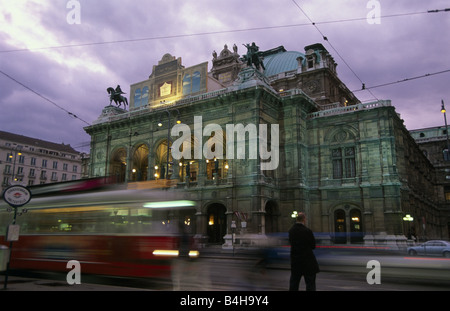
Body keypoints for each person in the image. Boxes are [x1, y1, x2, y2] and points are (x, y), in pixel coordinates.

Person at [288, 212, 319, 291]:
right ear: (304, 219)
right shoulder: (307, 231)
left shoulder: (291, 231)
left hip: (296, 261)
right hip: (308, 261)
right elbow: (313, 246)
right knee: (310, 284)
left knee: (294, 284)